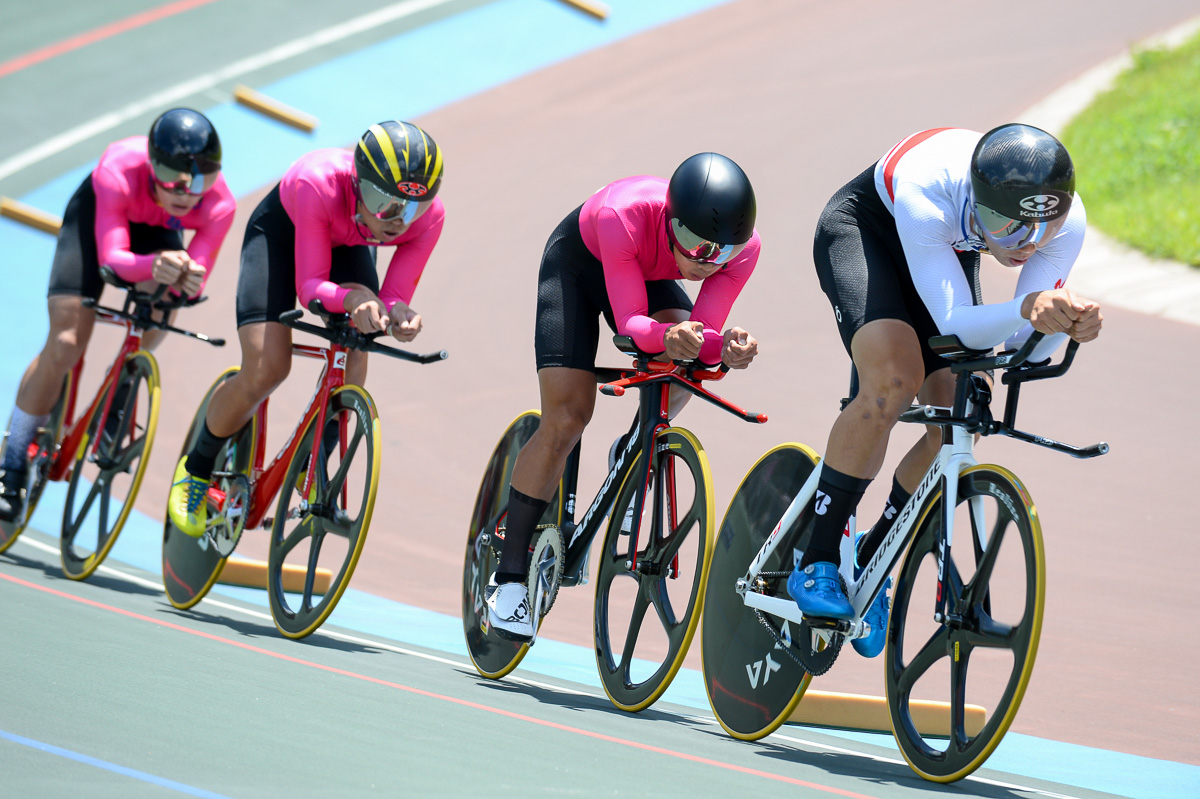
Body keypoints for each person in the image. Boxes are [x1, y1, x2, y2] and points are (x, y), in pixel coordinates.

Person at [790, 123, 1104, 658]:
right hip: (870, 229)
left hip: (951, 248)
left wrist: (1061, 324)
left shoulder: (1060, 222)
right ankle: (816, 557)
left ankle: (874, 551)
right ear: (979, 202)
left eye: (1039, 229)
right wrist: (1032, 312)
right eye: (1007, 226)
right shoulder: (927, 191)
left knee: (962, 409)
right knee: (893, 380)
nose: (1025, 245)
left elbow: (1023, 342)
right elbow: (961, 324)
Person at [485, 152, 762, 640]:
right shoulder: (624, 215)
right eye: (697, 246)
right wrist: (671, 338)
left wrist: (729, 349)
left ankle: (634, 445)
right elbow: (633, 325)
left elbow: (705, 335)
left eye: (720, 253)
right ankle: (507, 579)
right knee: (568, 417)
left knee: (685, 361)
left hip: (647, 271)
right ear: (672, 221)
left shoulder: (738, 250)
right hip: (580, 264)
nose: (706, 263)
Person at [166, 120, 445, 537]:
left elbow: (392, 298)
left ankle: (315, 462)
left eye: (413, 207)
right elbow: (310, 287)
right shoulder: (319, 184)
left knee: (359, 343)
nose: (399, 221)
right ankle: (196, 469)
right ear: (358, 183)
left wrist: (399, 315)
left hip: (348, 245)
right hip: (280, 235)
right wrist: (353, 300)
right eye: (385, 202)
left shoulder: (429, 219)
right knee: (267, 369)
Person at [0, 108, 235, 522]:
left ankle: (125, 383)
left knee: (169, 297)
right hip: (98, 224)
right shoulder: (117, 169)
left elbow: (192, 279)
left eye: (201, 179)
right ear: (151, 165)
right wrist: (154, 265)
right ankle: (12, 462)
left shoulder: (218, 204)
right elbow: (112, 259)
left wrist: (183, 275)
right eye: (173, 177)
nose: (186, 192)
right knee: (66, 342)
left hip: (155, 233)